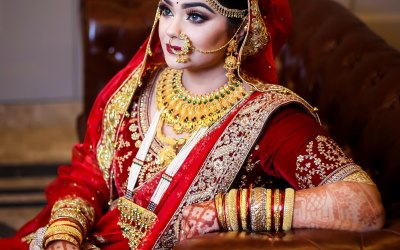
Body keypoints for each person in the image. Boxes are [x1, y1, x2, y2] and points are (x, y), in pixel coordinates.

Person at [2, 0, 385, 249]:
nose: (171, 31)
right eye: (167, 9)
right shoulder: (141, 82)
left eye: (196, 16)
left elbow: (363, 205)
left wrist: (227, 211)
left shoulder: (269, 119)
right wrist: (65, 232)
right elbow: (91, 171)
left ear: (242, 28)